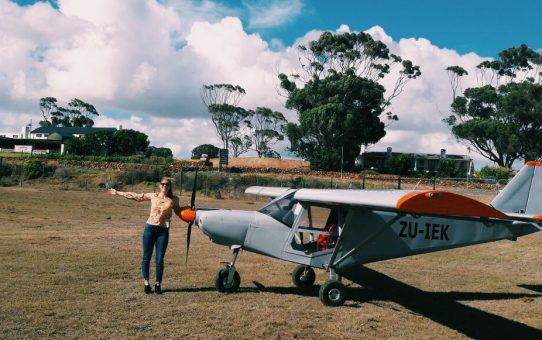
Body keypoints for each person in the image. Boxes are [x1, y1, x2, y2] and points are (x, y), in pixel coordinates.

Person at [108, 177, 182, 294]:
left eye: (167, 185)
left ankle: (158, 284)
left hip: (163, 231)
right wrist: (117, 192)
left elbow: (179, 212)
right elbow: (136, 196)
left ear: (170, 186)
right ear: (159, 185)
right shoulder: (153, 196)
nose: (164, 186)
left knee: (159, 259)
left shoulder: (174, 199)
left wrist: (190, 212)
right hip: (150, 229)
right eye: (162, 184)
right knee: (146, 257)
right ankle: (146, 284)